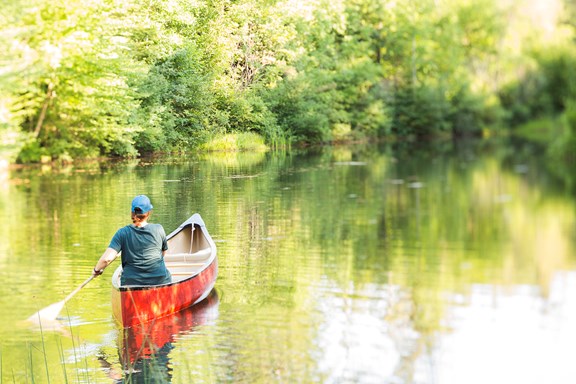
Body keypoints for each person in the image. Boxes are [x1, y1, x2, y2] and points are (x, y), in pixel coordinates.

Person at [92, 195, 172, 286]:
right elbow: (162, 254)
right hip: (159, 281)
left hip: (131, 283)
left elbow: (106, 259)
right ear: (149, 213)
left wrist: (96, 270)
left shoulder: (122, 233)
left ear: (132, 213)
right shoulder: (159, 229)